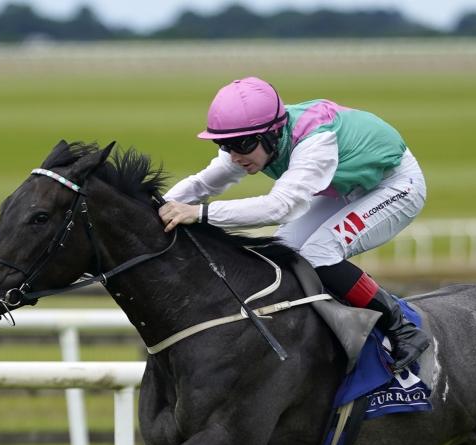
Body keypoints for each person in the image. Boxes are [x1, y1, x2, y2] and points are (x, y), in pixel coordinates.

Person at [158, 76, 431, 373]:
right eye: (225, 144)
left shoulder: (315, 142)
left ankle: (401, 328)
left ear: (272, 134)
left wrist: (199, 213)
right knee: (284, 252)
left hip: (396, 185)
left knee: (319, 253)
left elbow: (280, 207)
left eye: (242, 144)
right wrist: (154, 208)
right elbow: (201, 184)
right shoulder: (251, 145)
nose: (234, 156)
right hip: (345, 187)